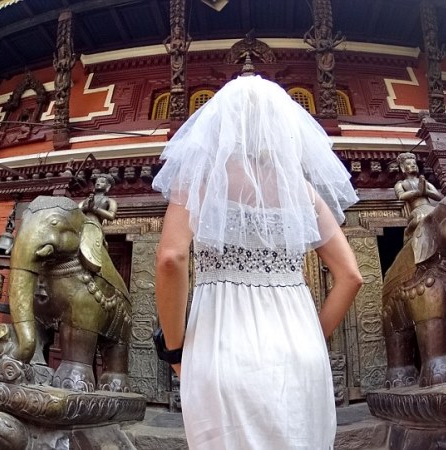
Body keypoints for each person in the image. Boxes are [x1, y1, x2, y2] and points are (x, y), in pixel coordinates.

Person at [152, 74, 362, 449]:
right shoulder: (303, 192)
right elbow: (350, 276)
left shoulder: (199, 182)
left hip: (221, 348)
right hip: (301, 353)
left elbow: (171, 258)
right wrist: (313, 336)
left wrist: (175, 352)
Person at [394, 152, 443, 242]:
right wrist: (417, 192)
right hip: (417, 209)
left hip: (429, 207)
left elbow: (438, 196)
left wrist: (426, 191)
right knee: (419, 219)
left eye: (414, 163)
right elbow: (401, 196)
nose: (412, 165)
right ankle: (408, 233)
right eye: (408, 164)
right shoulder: (401, 184)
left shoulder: (425, 182)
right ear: (402, 167)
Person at [79, 173, 118, 272]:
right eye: (97, 182)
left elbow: (111, 216)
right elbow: (75, 212)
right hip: (81, 226)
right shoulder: (86, 200)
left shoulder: (110, 201)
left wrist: (94, 209)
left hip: (95, 226)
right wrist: (85, 207)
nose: (98, 183)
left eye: (102, 182)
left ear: (108, 186)